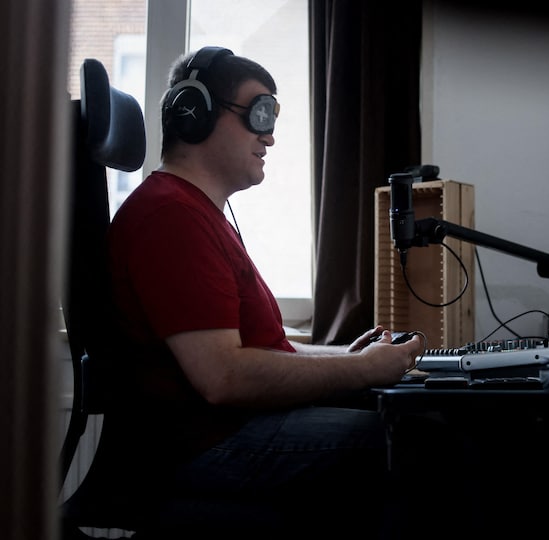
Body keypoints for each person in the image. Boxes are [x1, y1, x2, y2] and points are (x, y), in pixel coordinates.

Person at [106, 46, 430, 538]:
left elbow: (256, 348)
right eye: (258, 113)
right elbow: (224, 375)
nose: (270, 136)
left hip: (226, 429)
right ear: (195, 115)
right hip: (205, 444)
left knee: (405, 409)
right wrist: (361, 370)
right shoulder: (169, 217)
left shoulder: (193, 213)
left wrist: (343, 357)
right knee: (417, 435)